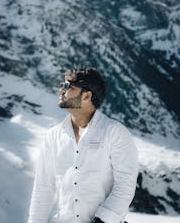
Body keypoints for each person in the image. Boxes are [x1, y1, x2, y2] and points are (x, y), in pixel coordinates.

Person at [28, 67, 139, 223]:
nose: (61, 89)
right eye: (62, 84)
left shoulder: (115, 133)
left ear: (86, 96)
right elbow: (43, 188)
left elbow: (125, 185)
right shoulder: (53, 136)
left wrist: (102, 220)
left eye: (68, 86)